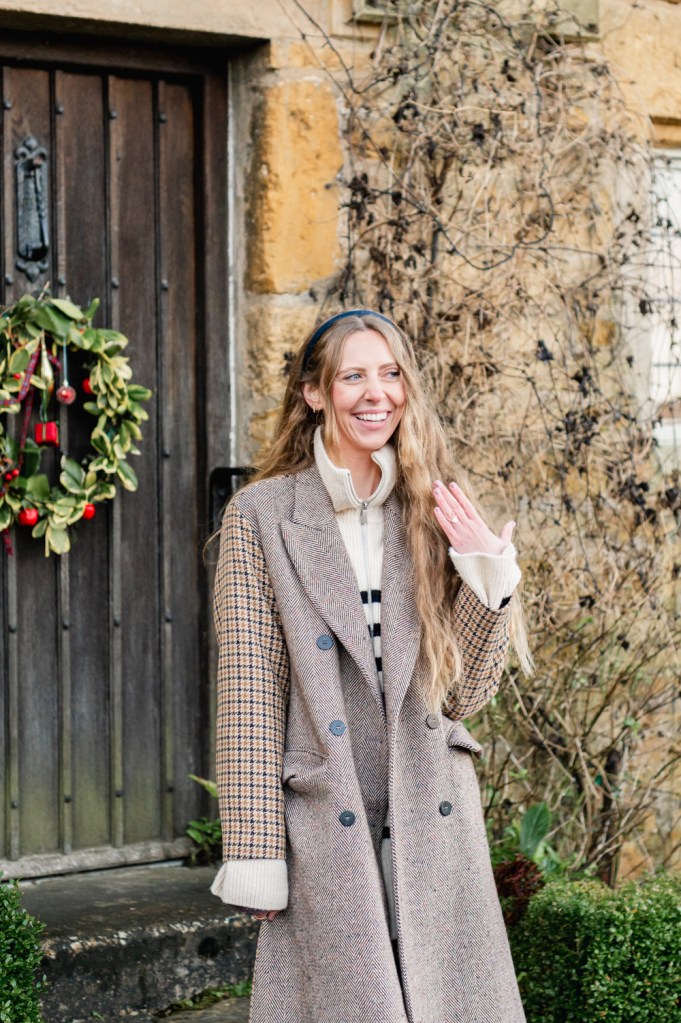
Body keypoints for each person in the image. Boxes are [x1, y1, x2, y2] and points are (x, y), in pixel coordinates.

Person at [210, 309, 531, 1023]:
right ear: (314, 393)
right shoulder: (260, 515)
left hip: (430, 812)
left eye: (389, 374)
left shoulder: (432, 505)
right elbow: (248, 696)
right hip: (329, 811)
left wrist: (488, 576)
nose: (374, 392)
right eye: (353, 375)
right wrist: (257, 849)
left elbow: (466, 697)